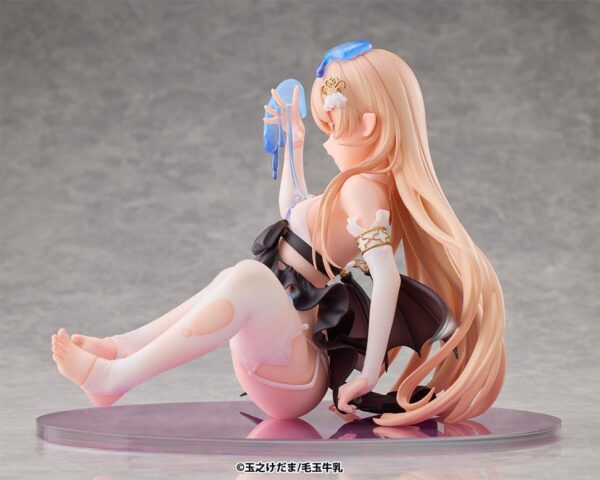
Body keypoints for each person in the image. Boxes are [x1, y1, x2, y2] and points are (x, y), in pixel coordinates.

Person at [51, 41, 505, 427]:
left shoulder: (364, 190)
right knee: (238, 276)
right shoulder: (355, 186)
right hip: (284, 357)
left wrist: (368, 375)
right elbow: (293, 213)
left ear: (368, 124)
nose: (327, 129)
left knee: (248, 277)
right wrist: (294, 145)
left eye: (332, 118)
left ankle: (116, 377)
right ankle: (121, 349)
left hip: (297, 374)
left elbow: (385, 278)